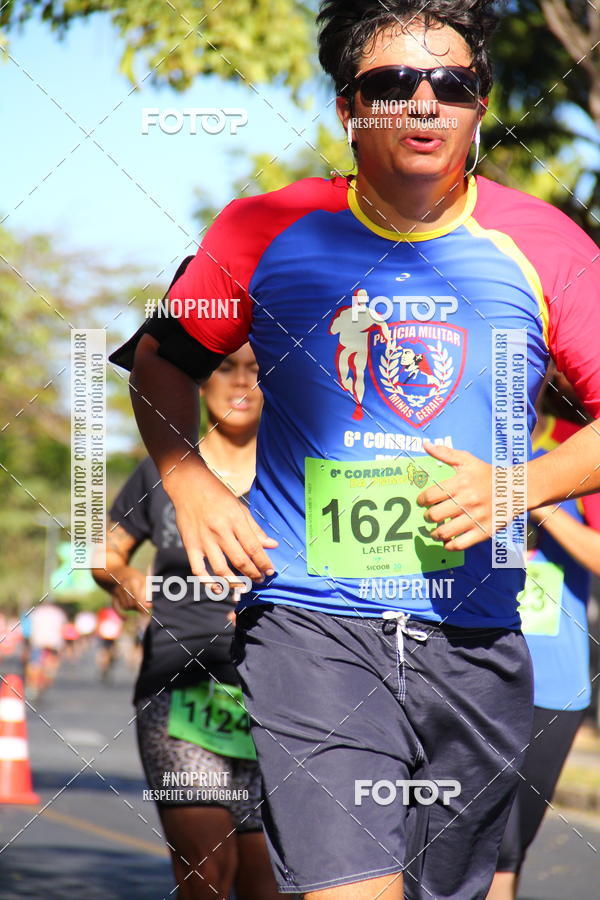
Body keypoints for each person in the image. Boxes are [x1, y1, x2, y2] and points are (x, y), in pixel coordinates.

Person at [110, 2, 600, 897]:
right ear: (348, 107)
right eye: (391, 85)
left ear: (480, 104)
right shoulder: (267, 229)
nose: (423, 104)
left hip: (477, 636)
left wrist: (520, 486)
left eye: (451, 84)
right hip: (311, 626)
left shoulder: (545, 245)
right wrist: (188, 482)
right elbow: (161, 358)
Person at [93, 344, 279, 900]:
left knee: (265, 883)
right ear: (200, 382)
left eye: (257, 369)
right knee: (206, 870)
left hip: (275, 694)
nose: (241, 381)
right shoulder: (166, 469)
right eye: (226, 367)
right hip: (180, 691)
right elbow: (107, 551)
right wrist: (124, 579)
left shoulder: (295, 471)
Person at [488, 371, 600, 899]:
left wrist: (539, 500)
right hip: (469, 669)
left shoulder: (577, 445)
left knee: (509, 855)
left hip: (552, 686)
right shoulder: (457, 443)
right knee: (472, 847)